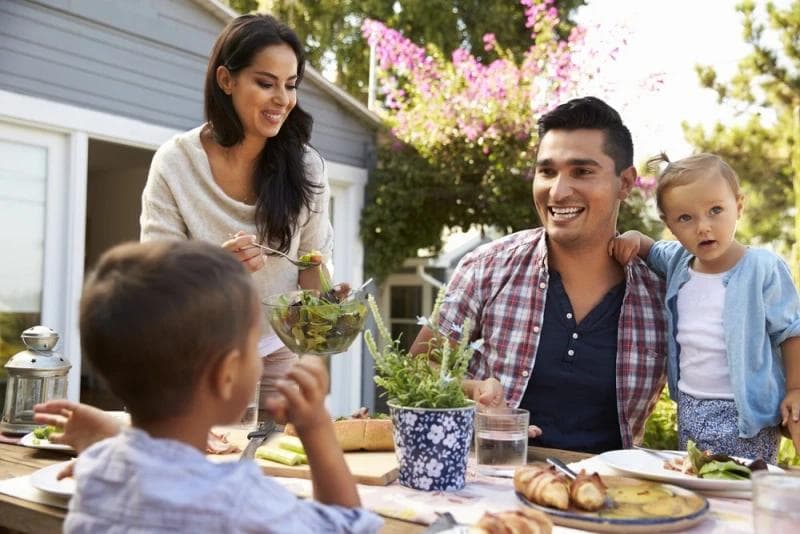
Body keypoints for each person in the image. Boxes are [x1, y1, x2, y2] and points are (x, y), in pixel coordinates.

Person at [41, 240, 381, 533]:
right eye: (252, 346)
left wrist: (112, 440)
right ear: (227, 374)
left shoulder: (95, 472)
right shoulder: (241, 501)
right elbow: (348, 523)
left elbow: (148, 477)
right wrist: (317, 428)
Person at [412, 96, 668, 453]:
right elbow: (418, 368)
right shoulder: (487, 267)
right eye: (547, 171)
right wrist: (473, 394)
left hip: (607, 494)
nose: (558, 191)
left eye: (582, 171)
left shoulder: (663, 293)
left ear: (625, 183)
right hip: (487, 484)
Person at [139, 14, 335, 420]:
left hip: (279, 350)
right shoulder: (175, 164)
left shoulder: (307, 167)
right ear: (226, 80)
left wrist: (330, 305)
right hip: (198, 354)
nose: (282, 98)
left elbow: (312, 265)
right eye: (266, 83)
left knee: (277, 469)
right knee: (206, 466)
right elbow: (154, 282)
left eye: (291, 84)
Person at [610, 153, 800, 461]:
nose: (703, 227)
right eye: (685, 218)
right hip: (691, 405)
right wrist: (634, 239)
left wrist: (796, 389)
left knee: (744, 488)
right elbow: (650, 248)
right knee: (699, 480)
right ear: (668, 223)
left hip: (747, 413)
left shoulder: (763, 268)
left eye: (716, 210)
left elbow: (791, 331)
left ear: (738, 206)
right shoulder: (676, 261)